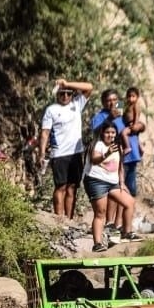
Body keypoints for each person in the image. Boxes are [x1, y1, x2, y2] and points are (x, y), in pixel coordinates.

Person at [39, 78, 94, 218]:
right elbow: (45, 133)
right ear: (57, 95)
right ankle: (59, 218)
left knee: (72, 187)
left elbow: (89, 87)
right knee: (60, 187)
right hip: (59, 154)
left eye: (69, 94)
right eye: (62, 93)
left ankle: (69, 219)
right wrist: (41, 153)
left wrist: (67, 84)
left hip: (76, 153)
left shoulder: (77, 104)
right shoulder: (51, 110)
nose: (65, 96)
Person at [82, 121, 139, 252]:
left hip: (112, 182)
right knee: (100, 213)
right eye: (107, 132)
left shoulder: (117, 147)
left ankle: (127, 232)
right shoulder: (98, 145)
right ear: (102, 133)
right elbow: (95, 159)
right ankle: (97, 243)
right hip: (96, 181)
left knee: (129, 202)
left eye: (113, 132)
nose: (110, 135)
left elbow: (120, 167)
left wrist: (122, 183)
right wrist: (106, 154)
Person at [90, 88, 130, 231]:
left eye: (114, 100)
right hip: (103, 157)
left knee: (120, 188)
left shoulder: (119, 115)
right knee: (109, 190)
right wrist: (110, 118)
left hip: (117, 156)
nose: (112, 103)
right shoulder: (100, 116)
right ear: (103, 102)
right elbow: (95, 131)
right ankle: (107, 221)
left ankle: (116, 223)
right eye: (109, 100)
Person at [121, 87, 147, 197]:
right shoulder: (126, 105)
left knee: (124, 133)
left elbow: (137, 116)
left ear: (137, 97)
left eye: (133, 96)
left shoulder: (136, 105)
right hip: (129, 126)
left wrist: (135, 125)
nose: (131, 99)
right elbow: (118, 110)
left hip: (132, 126)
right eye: (129, 96)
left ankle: (129, 147)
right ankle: (138, 147)